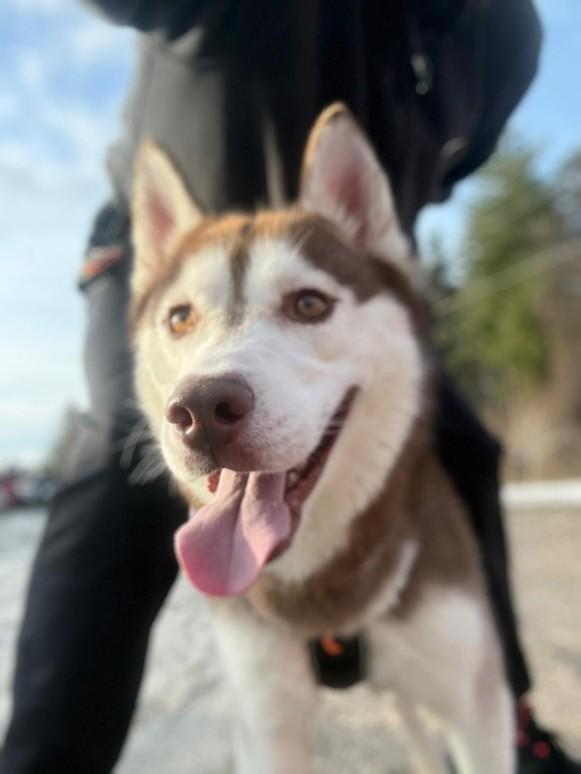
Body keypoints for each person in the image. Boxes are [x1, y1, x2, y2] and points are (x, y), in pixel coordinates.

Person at [2, 1, 580, 773]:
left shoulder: (501, 31)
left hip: (336, 274)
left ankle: (508, 710)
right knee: (117, 458)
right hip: (173, 268)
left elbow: (453, 163)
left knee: (466, 448)